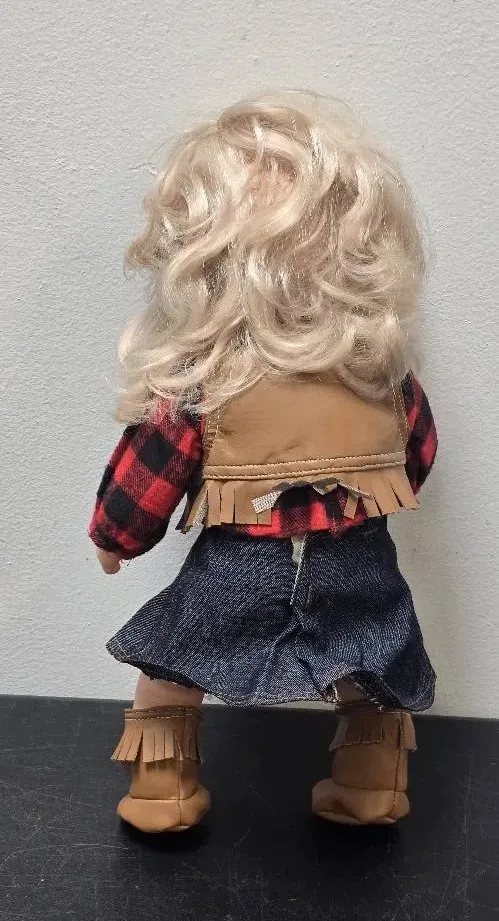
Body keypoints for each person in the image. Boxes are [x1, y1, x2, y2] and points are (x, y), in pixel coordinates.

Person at [89, 92, 437, 833]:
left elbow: (149, 471)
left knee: (172, 666)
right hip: (357, 561)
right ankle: (372, 783)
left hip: (239, 564)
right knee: (372, 666)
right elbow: (418, 457)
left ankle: (161, 789)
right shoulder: (379, 372)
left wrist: (115, 538)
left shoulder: (207, 382)